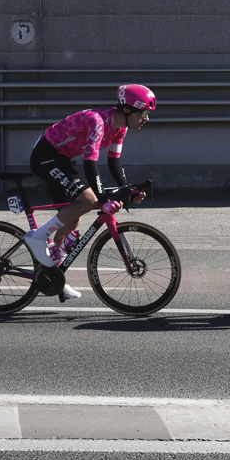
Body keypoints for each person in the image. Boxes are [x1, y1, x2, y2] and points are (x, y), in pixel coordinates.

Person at [24, 84, 155, 300]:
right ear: (127, 110)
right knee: (88, 200)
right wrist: (102, 198)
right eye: (143, 113)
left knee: (72, 221)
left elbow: (114, 161)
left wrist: (128, 190)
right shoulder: (99, 122)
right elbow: (90, 163)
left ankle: (52, 274)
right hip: (45, 156)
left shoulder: (121, 128)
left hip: (61, 159)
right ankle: (38, 238)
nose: (146, 118)